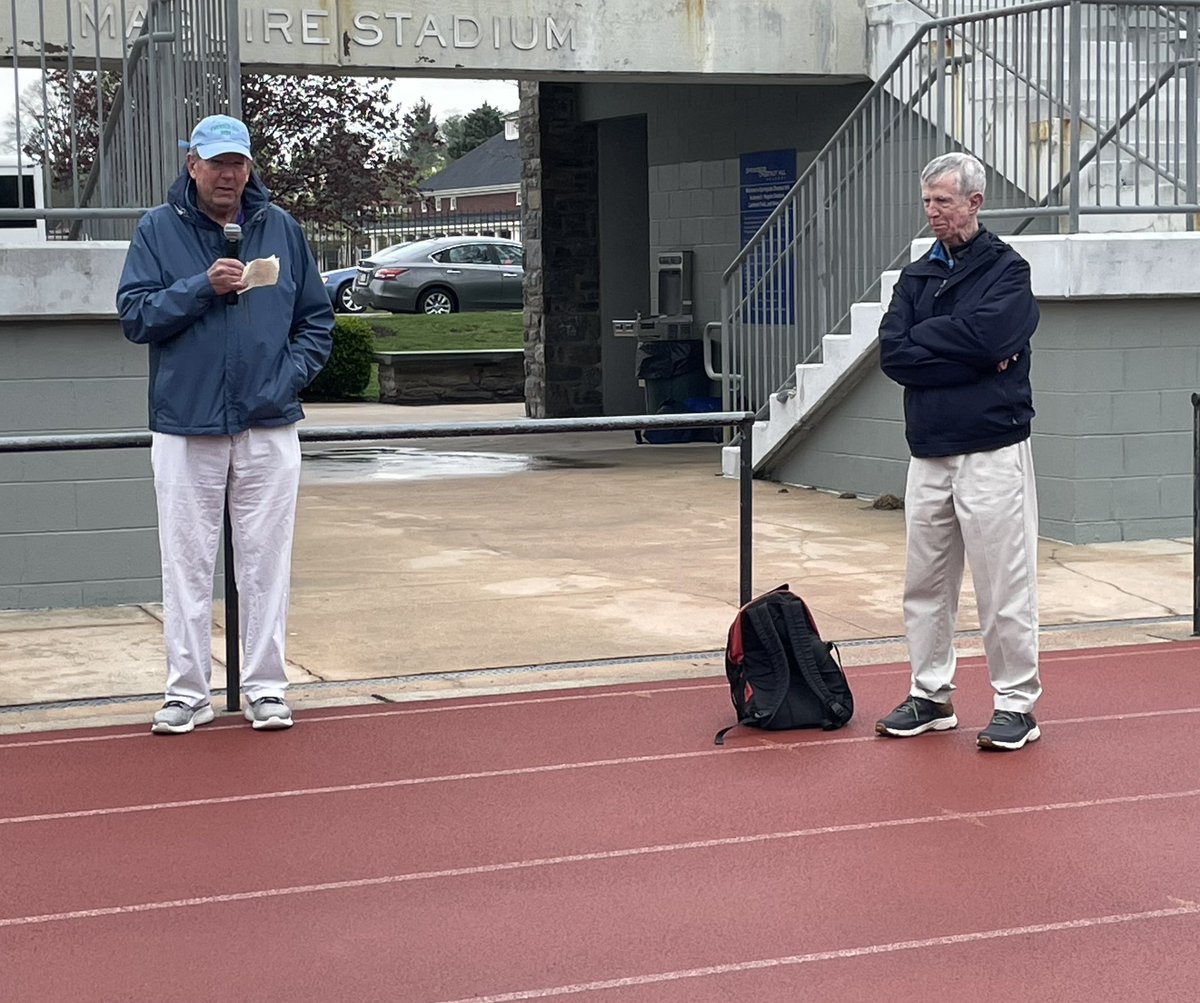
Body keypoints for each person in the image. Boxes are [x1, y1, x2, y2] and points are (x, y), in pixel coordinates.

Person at [117, 114, 334, 735]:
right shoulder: (157, 231)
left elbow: (314, 319)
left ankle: (266, 688)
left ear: (248, 167)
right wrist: (199, 287)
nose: (228, 175)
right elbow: (135, 316)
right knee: (184, 561)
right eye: (215, 163)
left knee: (267, 560)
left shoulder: (280, 228)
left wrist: (286, 378)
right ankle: (187, 692)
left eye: (237, 163)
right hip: (187, 425)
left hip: (267, 422)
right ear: (193, 165)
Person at [875, 151, 1042, 751]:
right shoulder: (916, 276)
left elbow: (993, 335)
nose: (933, 213)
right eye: (927, 202)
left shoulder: (1008, 271)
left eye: (943, 201)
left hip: (993, 449)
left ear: (975, 202)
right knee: (924, 584)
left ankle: (1016, 705)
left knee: (1004, 585)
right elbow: (894, 353)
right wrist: (966, 356)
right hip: (929, 450)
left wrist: (936, 349)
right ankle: (931, 696)